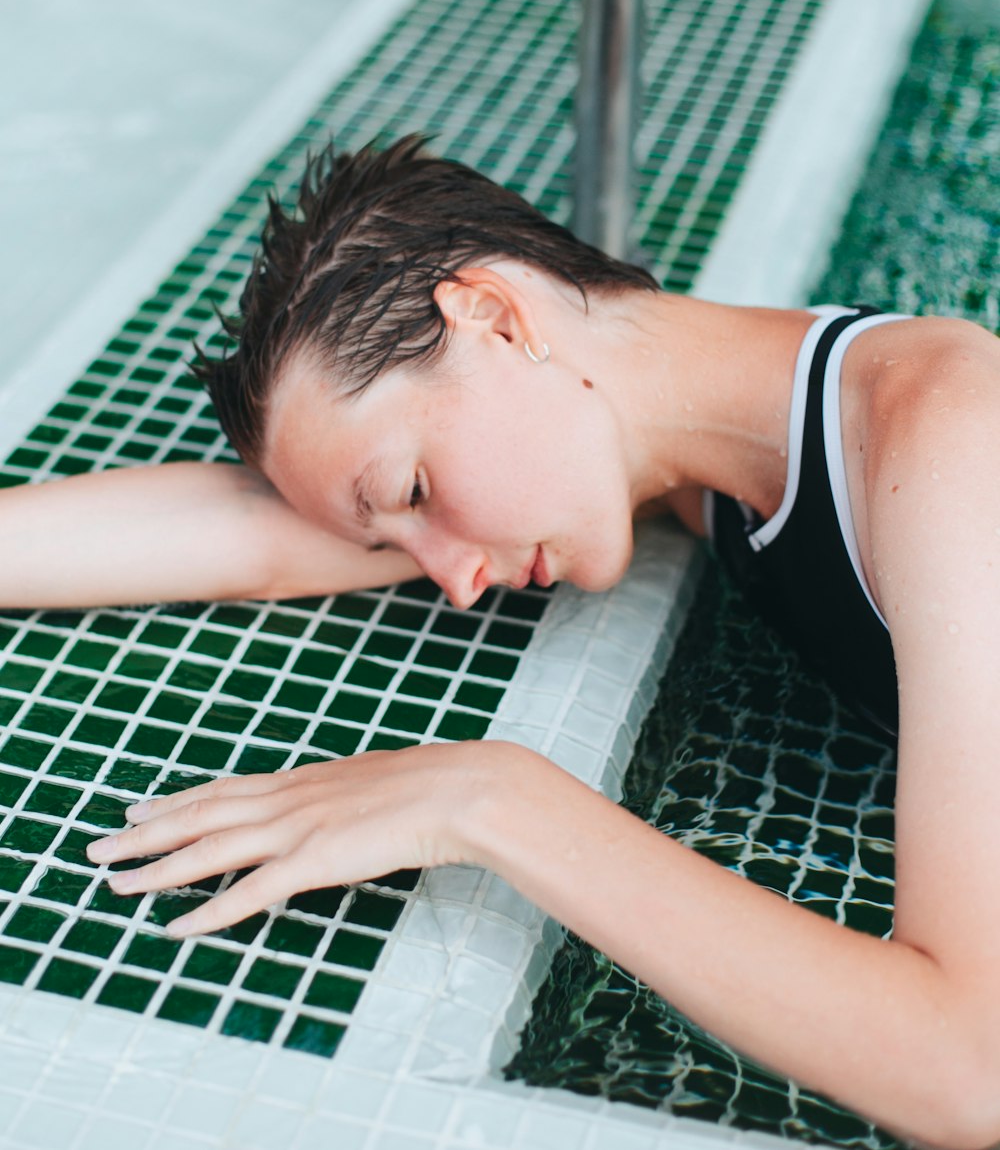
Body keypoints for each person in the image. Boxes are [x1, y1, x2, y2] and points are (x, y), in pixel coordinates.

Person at [3, 136, 999, 1147]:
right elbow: (263, 541)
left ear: (494, 315)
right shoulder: (717, 463)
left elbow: (970, 1069)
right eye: (394, 534)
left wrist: (492, 800)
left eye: (415, 492)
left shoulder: (951, 436)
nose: (451, 579)